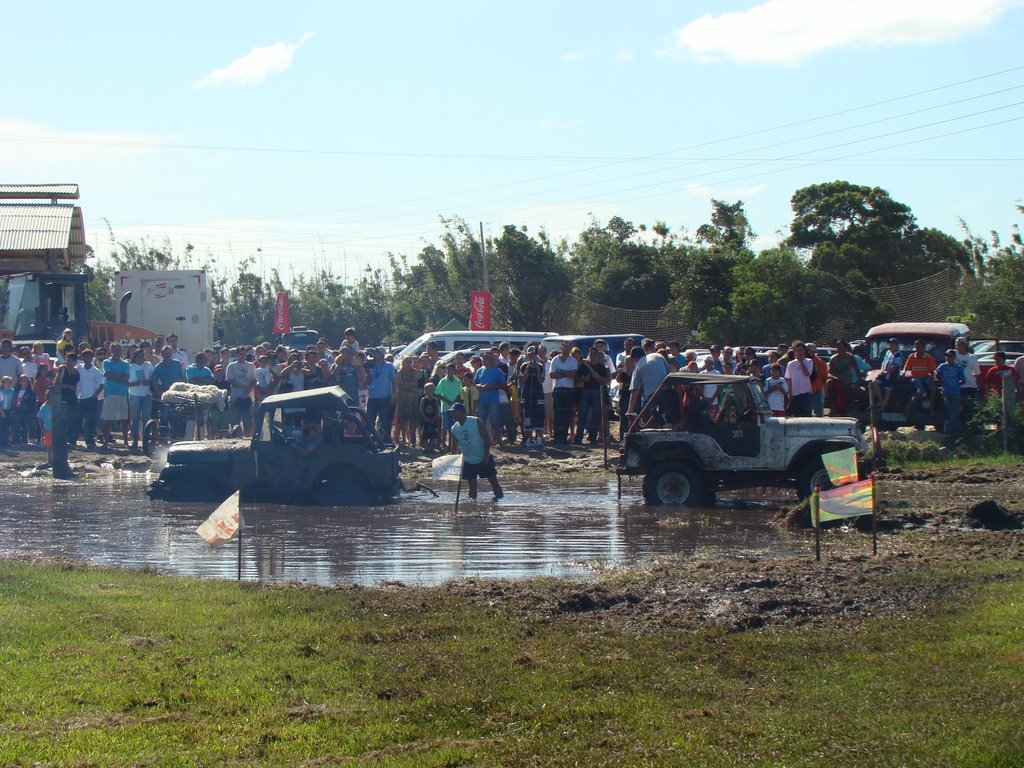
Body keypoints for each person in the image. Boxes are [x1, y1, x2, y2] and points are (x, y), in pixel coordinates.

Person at [449, 402, 503, 502]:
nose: (452, 415)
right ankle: (472, 505)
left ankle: (500, 501)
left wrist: (486, 455)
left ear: (461, 412)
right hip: (468, 460)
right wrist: (455, 463)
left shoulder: (475, 421)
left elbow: (487, 439)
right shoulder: (454, 428)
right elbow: (454, 447)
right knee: (472, 486)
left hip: (483, 457)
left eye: (454, 412)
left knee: (493, 482)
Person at [575, 347, 610, 444]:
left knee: (596, 416)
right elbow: (577, 377)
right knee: (582, 415)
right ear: (589, 354)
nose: (593, 355)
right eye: (591, 353)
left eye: (595, 353)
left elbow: (604, 381)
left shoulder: (601, 367)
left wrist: (594, 374)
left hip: (597, 392)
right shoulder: (584, 366)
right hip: (585, 392)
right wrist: (583, 379)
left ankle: (593, 438)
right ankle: (578, 439)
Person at [548, 340, 578, 444]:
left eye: (568, 347)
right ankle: (557, 437)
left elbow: (573, 374)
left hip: (568, 389)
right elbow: (552, 375)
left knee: (566, 414)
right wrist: (566, 373)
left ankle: (564, 436)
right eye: (564, 347)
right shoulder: (555, 359)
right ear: (561, 347)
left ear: (570, 348)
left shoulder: (573, 360)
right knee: (557, 413)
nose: (566, 349)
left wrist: (560, 372)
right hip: (558, 389)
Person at [101, 345, 131, 449]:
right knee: (107, 419)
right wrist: (120, 377)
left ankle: (126, 442)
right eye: (115, 350)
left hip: (122, 394)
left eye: (119, 350)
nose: (118, 352)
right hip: (110, 393)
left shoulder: (126, 363)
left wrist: (115, 376)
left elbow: (126, 377)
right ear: (111, 350)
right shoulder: (106, 362)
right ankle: (105, 442)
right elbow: (108, 375)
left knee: (124, 420)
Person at [473, 351, 507, 443]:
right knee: (481, 421)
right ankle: (482, 440)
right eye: (483, 358)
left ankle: (498, 440)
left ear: (491, 360)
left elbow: (503, 385)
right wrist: (479, 386)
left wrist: (492, 386)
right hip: (482, 399)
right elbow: (475, 382)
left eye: (486, 358)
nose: (484, 360)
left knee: (496, 421)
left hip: (493, 400)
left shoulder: (498, 371)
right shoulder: (480, 370)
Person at [365, 348, 396, 443]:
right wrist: (368, 371)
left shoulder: (389, 366)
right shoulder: (371, 365)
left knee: (385, 419)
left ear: (381, 354)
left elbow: (394, 381)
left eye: (376, 353)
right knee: (370, 418)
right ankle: (370, 439)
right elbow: (368, 381)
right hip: (373, 396)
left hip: (385, 396)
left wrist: (393, 395)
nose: (374, 355)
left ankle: (385, 438)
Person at [225, 350, 258, 437]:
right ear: (237, 354)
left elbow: (254, 380)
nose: (242, 356)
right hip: (235, 398)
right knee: (235, 422)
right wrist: (244, 387)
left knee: (248, 422)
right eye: (240, 354)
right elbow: (230, 380)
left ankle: (248, 438)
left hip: (248, 398)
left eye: (244, 354)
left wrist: (247, 392)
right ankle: (236, 439)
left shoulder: (251, 365)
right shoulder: (231, 366)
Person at [934, 349, 967, 434]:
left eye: (950, 356)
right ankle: (956, 431)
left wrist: (955, 383)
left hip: (955, 392)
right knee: (949, 410)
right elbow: (936, 374)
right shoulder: (942, 366)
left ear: (954, 357)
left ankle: (949, 430)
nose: (948, 358)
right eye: (947, 356)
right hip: (946, 391)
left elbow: (963, 380)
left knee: (955, 411)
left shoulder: (958, 367)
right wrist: (938, 379)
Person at [518, 346, 545, 447]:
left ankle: (539, 438)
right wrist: (528, 368)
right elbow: (523, 380)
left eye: (533, 354)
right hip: (527, 394)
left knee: (539, 416)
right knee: (527, 417)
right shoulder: (524, 365)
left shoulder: (541, 365)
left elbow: (540, 380)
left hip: (538, 394)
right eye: (529, 354)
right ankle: (529, 439)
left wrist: (537, 369)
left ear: (536, 354)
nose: (531, 356)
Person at [903, 339, 937, 418]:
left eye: (920, 346)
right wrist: (903, 374)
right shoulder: (912, 356)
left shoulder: (928, 357)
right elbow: (906, 367)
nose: (918, 348)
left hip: (925, 377)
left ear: (924, 347)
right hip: (916, 377)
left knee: (933, 388)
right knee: (920, 391)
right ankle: (907, 408)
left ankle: (930, 407)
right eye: (917, 347)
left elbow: (932, 370)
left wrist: (932, 379)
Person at [127, 348, 153, 451]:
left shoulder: (149, 365)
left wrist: (148, 382)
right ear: (135, 357)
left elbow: (153, 378)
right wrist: (134, 383)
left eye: (143, 356)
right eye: (139, 356)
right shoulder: (130, 367)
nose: (142, 358)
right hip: (134, 394)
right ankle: (135, 440)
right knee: (135, 419)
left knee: (146, 419)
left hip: (146, 394)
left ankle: (145, 440)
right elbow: (126, 382)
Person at [872, 337, 904, 414]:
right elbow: (884, 362)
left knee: (888, 389)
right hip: (884, 373)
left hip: (892, 375)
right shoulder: (888, 352)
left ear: (896, 346)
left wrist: (887, 372)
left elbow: (895, 366)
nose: (890, 347)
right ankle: (880, 400)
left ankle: (883, 407)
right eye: (889, 345)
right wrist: (881, 371)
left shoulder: (898, 354)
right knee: (874, 382)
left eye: (892, 345)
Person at [784, 341, 814, 417]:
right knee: (793, 414)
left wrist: (801, 362)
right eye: (797, 350)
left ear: (804, 350)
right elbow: (789, 378)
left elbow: (807, 373)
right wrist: (789, 392)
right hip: (794, 393)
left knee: (806, 415)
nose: (799, 352)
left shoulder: (809, 361)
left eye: (800, 350)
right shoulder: (791, 364)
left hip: (805, 392)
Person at [419, 382, 441, 451]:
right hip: (425, 419)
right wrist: (425, 418)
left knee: (433, 433)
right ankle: (426, 448)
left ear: (434, 390)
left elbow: (437, 410)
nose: (429, 391)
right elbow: (421, 410)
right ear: (425, 391)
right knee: (425, 433)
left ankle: (431, 447)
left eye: (431, 390)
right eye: (427, 390)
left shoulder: (435, 400)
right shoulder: (423, 400)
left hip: (433, 419)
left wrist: (434, 418)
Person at [37, 390, 53, 465]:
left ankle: (56, 459)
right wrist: (42, 428)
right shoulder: (44, 407)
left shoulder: (57, 405)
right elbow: (39, 418)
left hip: (57, 429)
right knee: (49, 445)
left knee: (57, 444)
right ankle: (49, 460)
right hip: (48, 429)